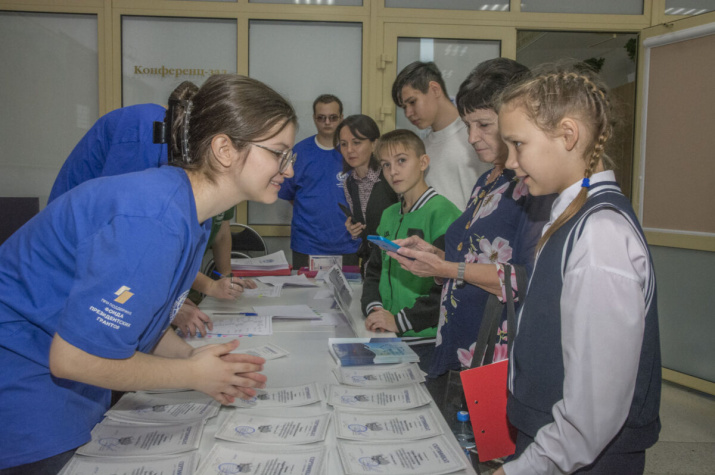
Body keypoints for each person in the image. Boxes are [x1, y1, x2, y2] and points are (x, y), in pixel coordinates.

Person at [0, 74, 297, 473]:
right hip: (22, 379)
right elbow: (72, 358)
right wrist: (192, 373)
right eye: (280, 153)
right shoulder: (154, 219)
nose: (289, 170)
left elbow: (147, 326)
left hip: (62, 380)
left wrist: (198, 360)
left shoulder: (191, 214)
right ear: (225, 149)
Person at [492, 66, 661, 474]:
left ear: (568, 136)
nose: (511, 162)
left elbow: (594, 410)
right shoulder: (572, 214)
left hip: (584, 459)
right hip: (554, 442)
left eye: (517, 144)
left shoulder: (600, 234)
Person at [388, 59, 551, 393]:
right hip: (460, 340)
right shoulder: (487, 180)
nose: (472, 137)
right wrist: (433, 255)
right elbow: (474, 256)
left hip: (495, 349)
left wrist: (448, 268)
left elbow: (526, 278)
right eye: (468, 125)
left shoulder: (531, 187)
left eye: (483, 125)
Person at [47, 81, 254, 338]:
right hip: (65, 274)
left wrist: (206, 288)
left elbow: (179, 250)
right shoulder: (146, 131)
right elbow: (124, 246)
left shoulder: (191, 171)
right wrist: (168, 308)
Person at [361, 129, 461, 373]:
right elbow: (374, 270)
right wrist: (376, 309)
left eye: (401, 161)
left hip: (426, 338)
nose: (393, 171)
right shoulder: (389, 214)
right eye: (386, 165)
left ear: (423, 162)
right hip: (389, 335)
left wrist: (399, 321)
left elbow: (448, 286)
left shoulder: (444, 214)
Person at [392, 61, 490, 210]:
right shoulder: (422, 148)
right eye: (404, 107)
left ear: (434, 89)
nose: (408, 113)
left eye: (412, 102)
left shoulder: (477, 135)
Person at [279, 94, 358, 269]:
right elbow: (291, 195)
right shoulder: (299, 153)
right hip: (307, 245)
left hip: (348, 244)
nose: (327, 122)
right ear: (314, 119)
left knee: (349, 294)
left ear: (342, 118)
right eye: (322, 118)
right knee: (305, 294)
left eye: (333, 117)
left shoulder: (353, 153)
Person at [335, 114, 398, 274]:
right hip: (370, 264)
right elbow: (366, 223)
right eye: (343, 144)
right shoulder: (349, 183)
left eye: (357, 142)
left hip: (396, 264)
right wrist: (355, 229)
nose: (349, 150)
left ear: (374, 144)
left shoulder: (391, 176)